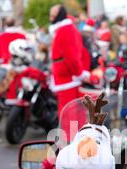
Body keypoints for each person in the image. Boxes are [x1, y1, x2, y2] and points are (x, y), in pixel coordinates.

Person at [49, 4, 89, 141]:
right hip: (64, 78)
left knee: (69, 116)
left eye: (53, 15)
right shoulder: (62, 29)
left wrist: (79, 73)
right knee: (69, 114)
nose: (50, 18)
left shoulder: (66, 30)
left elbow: (72, 56)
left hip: (68, 79)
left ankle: (71, 145)